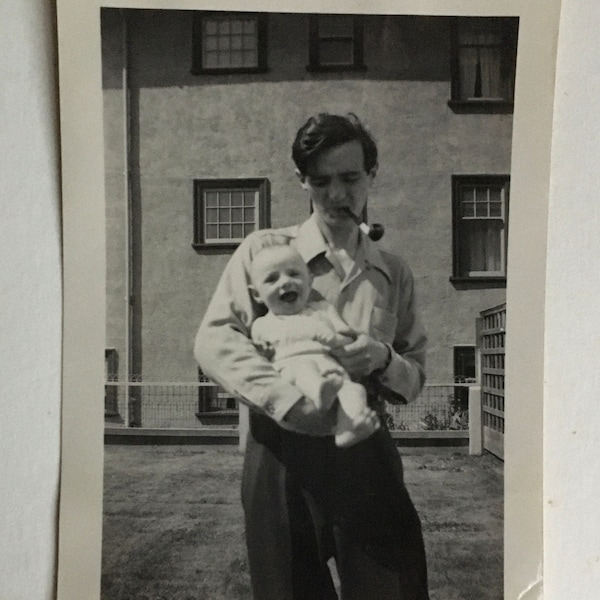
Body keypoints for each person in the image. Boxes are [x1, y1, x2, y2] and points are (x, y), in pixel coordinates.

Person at [195, 112, 429, 600]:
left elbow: (415, 376)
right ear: (302, 180)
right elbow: (216, 338)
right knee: (289, 589)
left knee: (391, 586)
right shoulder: (266, 252)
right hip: (281, 450)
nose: (337, 195)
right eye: (321, 181)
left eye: (350, 178)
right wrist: (288, 403)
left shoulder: (393, 273)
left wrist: (383, 359)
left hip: (364, 444)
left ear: (371, 175)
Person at [249, 243, 381, 448]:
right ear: (257, 293)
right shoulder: (263, 324)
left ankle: (348, 430)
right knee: (305, 370)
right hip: (292, 373)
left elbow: (347, 338)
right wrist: (262, 352)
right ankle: (320, 392)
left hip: (330, 370)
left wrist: (334, 338)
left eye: (294, 274)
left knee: (355, 390)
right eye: (272, 279)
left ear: (310, 280)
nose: (285, 282)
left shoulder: (323, 310)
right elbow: (259, 356)